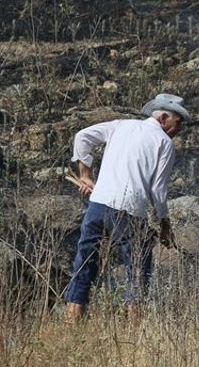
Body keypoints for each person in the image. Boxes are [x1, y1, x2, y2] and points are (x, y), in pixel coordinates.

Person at [62, 93, 190, 320]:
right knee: (138, 267)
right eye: (177, 123)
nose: (178, 130)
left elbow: (82, 137)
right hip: (128, 210)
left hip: (98, 205)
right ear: (162, 117)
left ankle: (72, 320)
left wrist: (85, 175)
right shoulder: (164, 143)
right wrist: (164, 224)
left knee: (85, 261)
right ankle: (135, 328)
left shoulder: (120, 125)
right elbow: (157, 191)